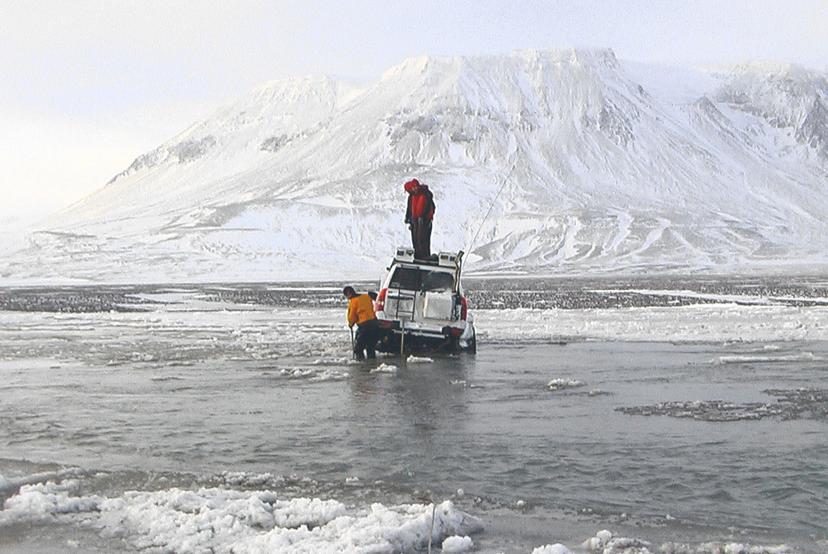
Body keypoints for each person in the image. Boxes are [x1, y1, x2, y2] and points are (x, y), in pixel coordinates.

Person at [343, 286, 379, 360]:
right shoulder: (366, 296)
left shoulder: (353, 301)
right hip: (375, 324)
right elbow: (375, 298)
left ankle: (361, 366)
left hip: (365, 327)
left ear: (349, 294)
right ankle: (372, 363)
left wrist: (350, 324)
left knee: (358, 349)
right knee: (370, 347)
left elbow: (352, 317)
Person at [403, 178, 435, 259]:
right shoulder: (412, 196)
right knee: (416, 239)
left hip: (424, 219)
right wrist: (408, 219)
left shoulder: (425, 194)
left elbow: (430, 207)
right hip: (415, 220)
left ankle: (425, 256)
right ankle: (418, 256)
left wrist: (426, 217)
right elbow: (409, 208)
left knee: (423, 238)